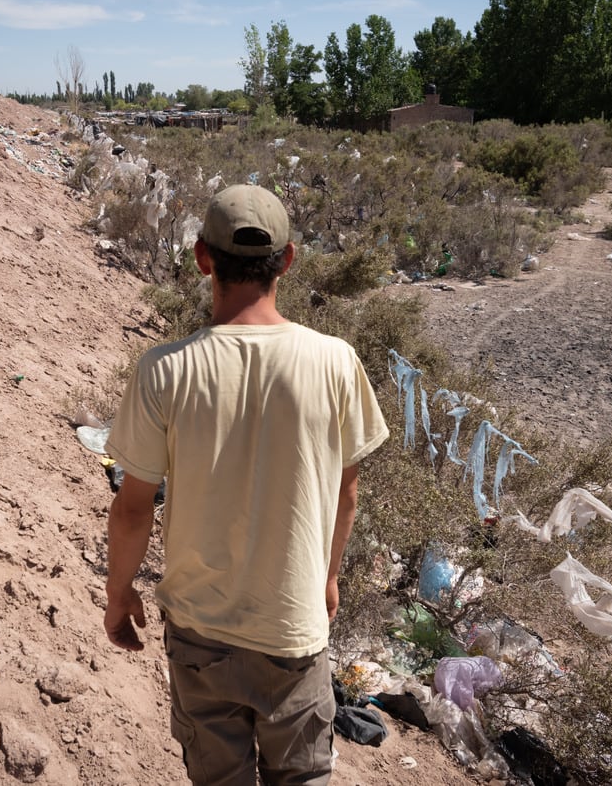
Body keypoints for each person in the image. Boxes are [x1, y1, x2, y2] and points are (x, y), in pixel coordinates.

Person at [103, 184, 389, 785]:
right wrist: (329, 578)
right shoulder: (335, 361)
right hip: (292, 629)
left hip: (200, 635)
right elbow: (346, 493)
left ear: (204, 259)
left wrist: (119, 593)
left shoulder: (165, 369)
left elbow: (133, 510)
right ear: (286, 261)